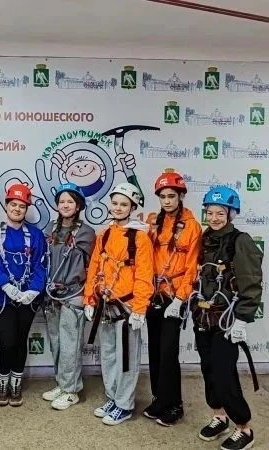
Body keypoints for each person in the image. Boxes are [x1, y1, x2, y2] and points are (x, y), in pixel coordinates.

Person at [191, 186, 263, 450]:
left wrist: (242, 319)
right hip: (203, 317)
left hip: (227, 320)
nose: (214, 218)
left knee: (224, 374)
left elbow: (251, 282)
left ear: (231, 214)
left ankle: (244, 427)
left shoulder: (240, 241)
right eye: (210, 213)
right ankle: (218, 416)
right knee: (208, 370)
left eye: (220, 213)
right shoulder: (204, 238)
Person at [83, 182, 155, 426]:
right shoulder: (104, 234)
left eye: (124, 204)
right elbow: (94, 268)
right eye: (115, 203)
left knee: (126, 359)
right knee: (108, 355)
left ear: (132, 208)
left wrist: (140, 308)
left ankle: (124, 405)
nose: (118, 208)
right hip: (105, 305)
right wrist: (89, 298)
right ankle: (113, 397)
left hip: (127, 308)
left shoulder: (140, 238)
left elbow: (145, 275)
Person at [0, 183, 48, 407]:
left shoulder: (35, 235)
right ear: (6, 205)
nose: (17, 209)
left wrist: (34, 290)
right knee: (7, 342)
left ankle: (16, 382)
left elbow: (40, 264)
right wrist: (5, 286)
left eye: (22, 206)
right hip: (2, 298)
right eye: (14, 204)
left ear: (26, 209)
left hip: (27, 298)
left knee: (20, 340)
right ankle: (3, 382)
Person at [143, 169, 201, 427]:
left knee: (168, 352)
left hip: (174, 295)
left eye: (171, 196)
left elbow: (192, 266)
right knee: (155, 350)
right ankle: (159, 399)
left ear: (181, 196)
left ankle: (174, 405)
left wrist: (180, 299)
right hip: (153, 293)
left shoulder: (192, 226)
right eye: (163, 196)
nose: (167, 201)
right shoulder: (153, 222)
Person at [41, 183, 96, 411]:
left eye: (70, 202)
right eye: (62, 201)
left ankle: (71, 390)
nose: (65, 205)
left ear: (78, 206)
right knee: (56, 342)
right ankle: (62, 383)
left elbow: (93, 266)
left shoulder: (86, 233)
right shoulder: (50, 230)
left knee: (70, 344)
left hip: (74, 293)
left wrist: (90, 296)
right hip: (52, 294)